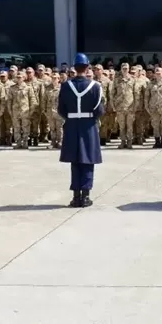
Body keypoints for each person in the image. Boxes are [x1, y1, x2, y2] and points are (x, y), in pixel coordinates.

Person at [58, 53, 105, 208]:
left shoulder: (65, 86)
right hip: (88, 126)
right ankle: (85, 196)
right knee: (87, 160)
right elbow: (99, 110)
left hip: (72, 125)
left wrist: (72, 118)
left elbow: (61, 110)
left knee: (75, 161)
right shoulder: (95, 87)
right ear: (87, 67)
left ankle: (75, 196)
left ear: (74, 67)